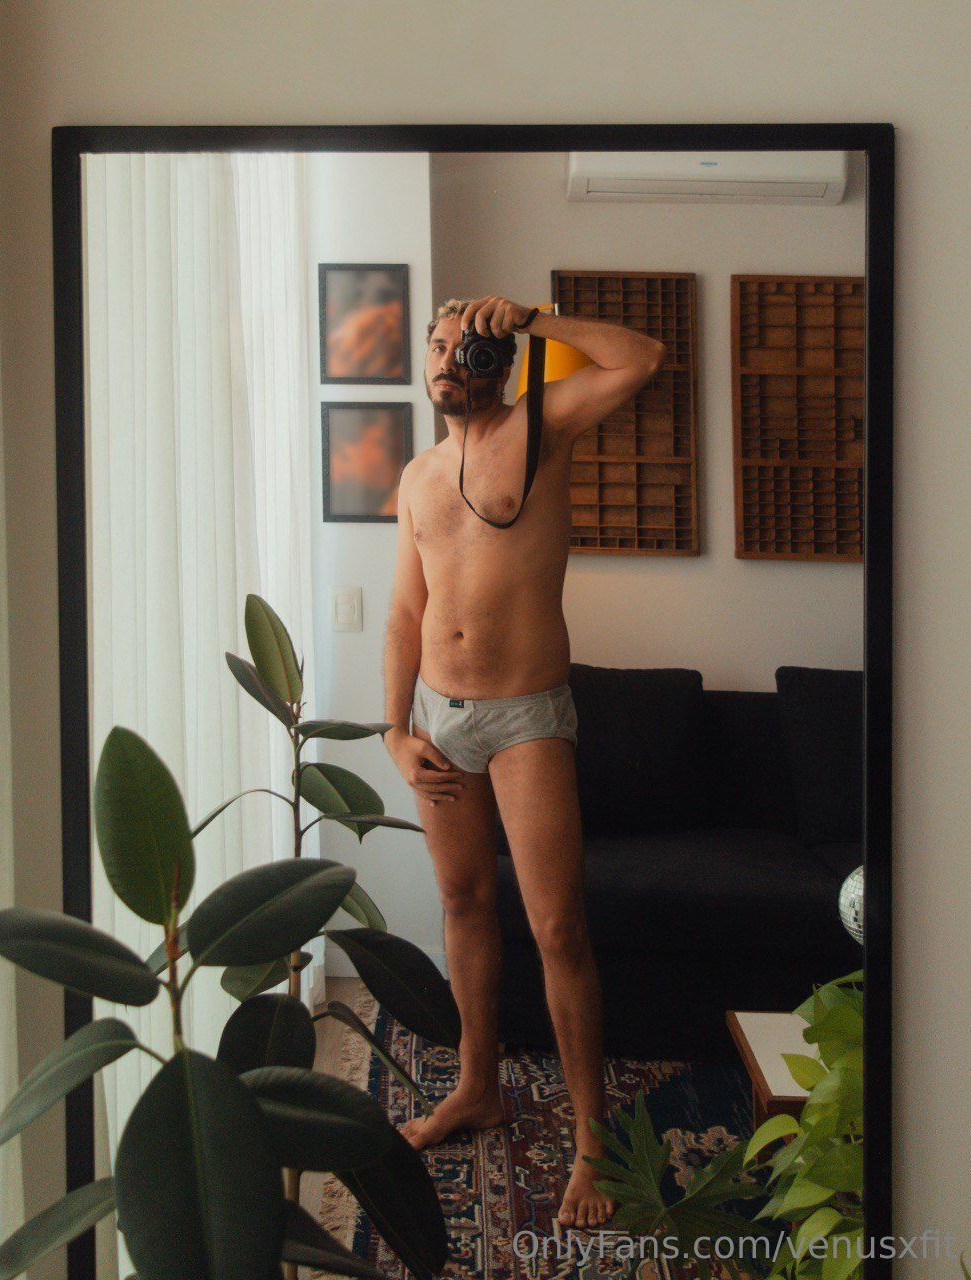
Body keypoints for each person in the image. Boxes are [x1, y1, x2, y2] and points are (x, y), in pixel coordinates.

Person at [383, 294, 666, 1230]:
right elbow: (406, 612)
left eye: (461, 346)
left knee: (557, 926)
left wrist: (534, 319)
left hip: (526, 719)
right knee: (463, 903)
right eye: (435, 345)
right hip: (438, 717)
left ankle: (591, 1140)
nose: (444, 359)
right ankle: (478, 1087)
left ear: (494, 361)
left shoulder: (541, 426)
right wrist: (392, 729)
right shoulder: (419, 476)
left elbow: (642, 357)